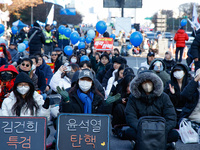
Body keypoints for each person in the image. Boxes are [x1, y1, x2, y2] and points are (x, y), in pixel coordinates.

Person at [123, 71, 179, 149]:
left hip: (160, 129)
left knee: (174, 134)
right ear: (139, 84)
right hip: (142, 129)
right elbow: (130, 117)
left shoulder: (164, 97)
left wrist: (162, 130)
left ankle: (142, 143)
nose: (147, 85)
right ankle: (161, 143)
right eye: (144, 82)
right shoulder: (133, 98)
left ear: (154, 82)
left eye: (149, 82)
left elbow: (171, 116)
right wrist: (141, 129)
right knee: (129, 132)